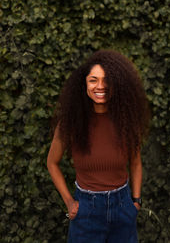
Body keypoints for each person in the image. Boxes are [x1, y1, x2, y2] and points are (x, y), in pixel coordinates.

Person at [47, 49, 150, 243]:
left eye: (106, 80)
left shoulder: (126, 121)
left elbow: (136, 163)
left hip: (123, 207)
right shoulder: (71, 123)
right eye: (93, 80)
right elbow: (52, 163)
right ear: (84, 84)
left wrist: (135, 202)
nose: (100, 86)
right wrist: (69, 202)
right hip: (86, 210)